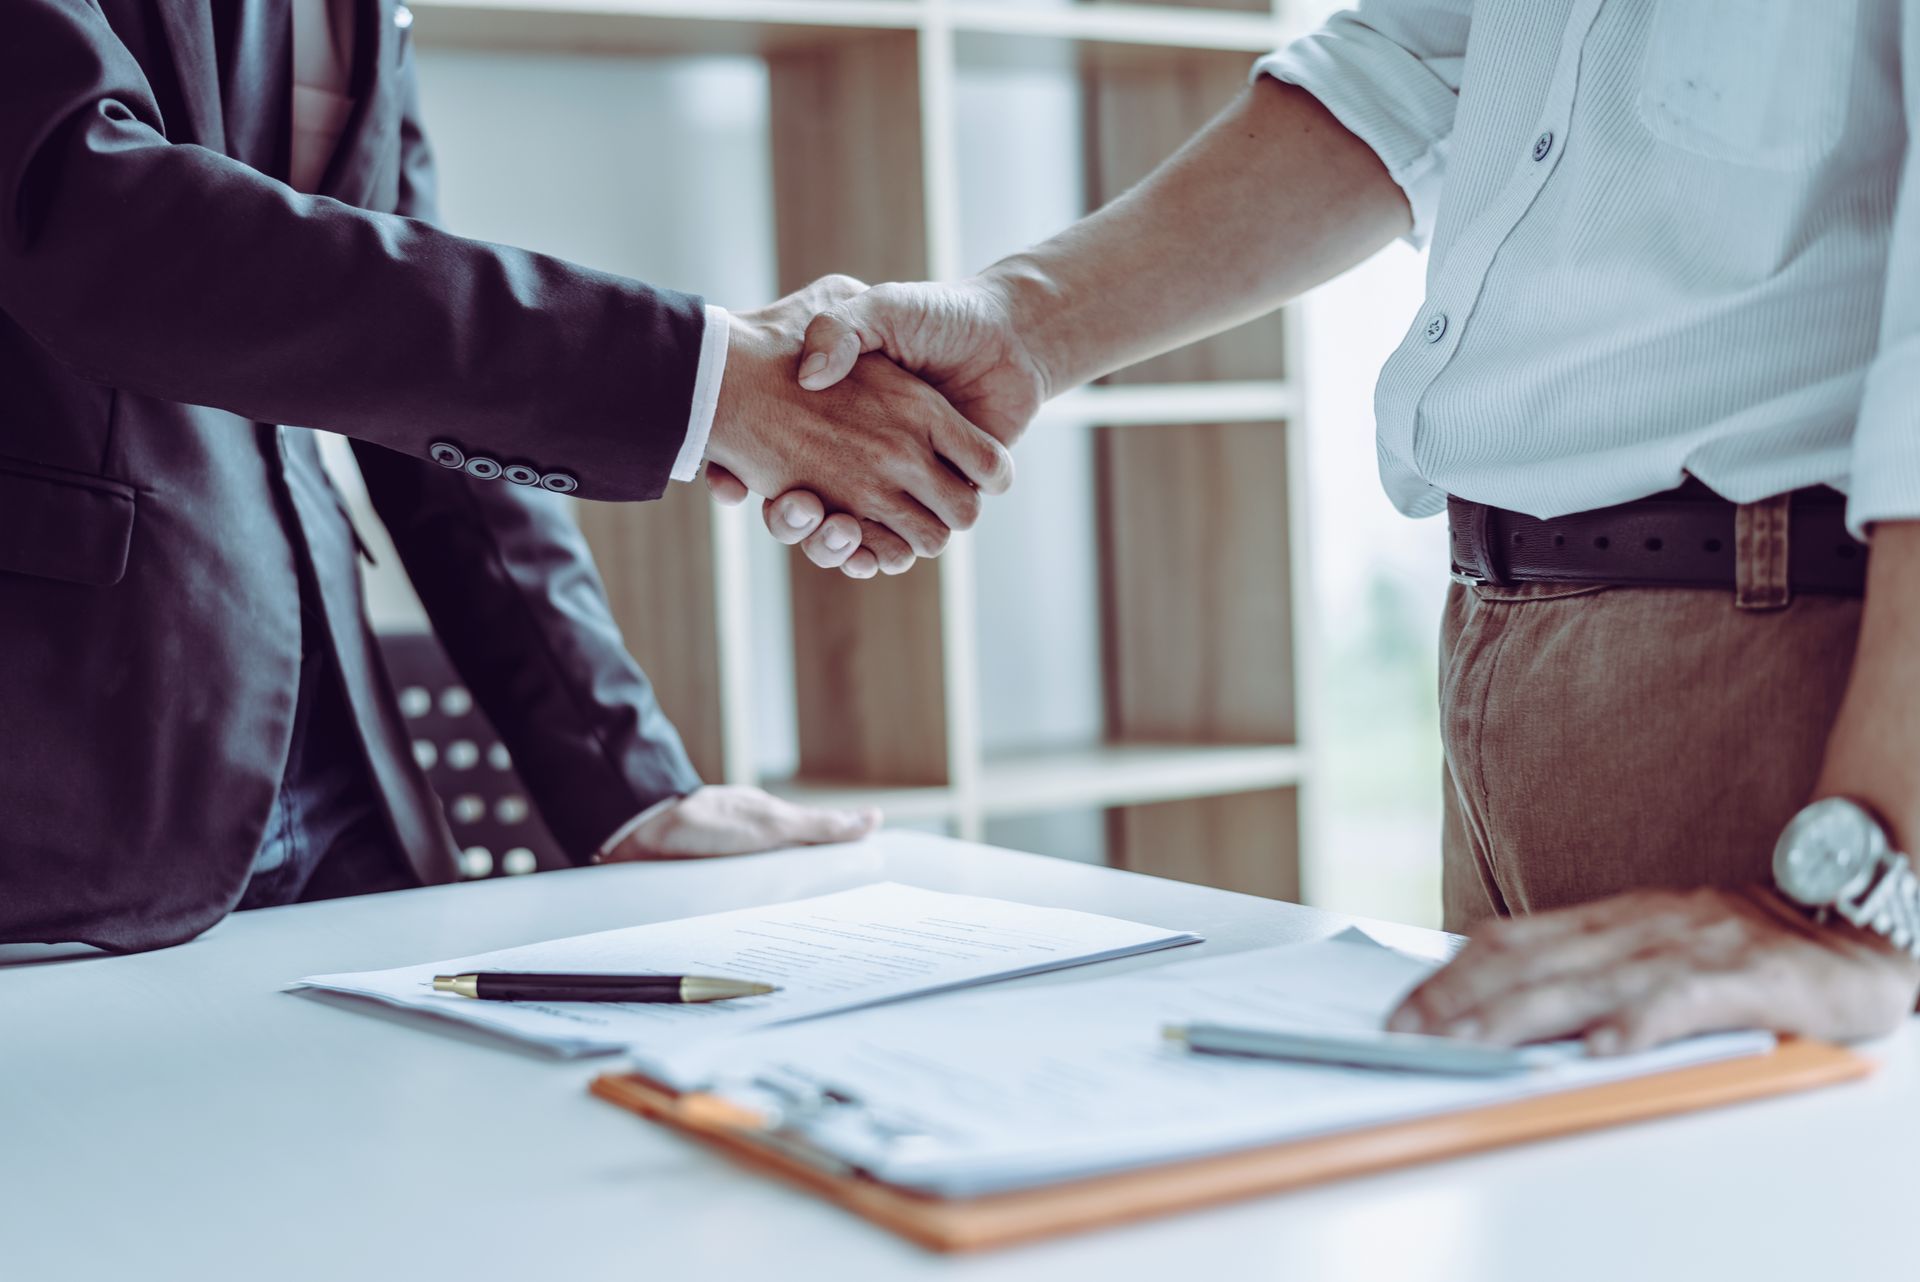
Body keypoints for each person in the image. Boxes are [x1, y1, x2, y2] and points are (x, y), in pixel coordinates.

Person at [760, 0, 1920, 1053]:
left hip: (1812, 679)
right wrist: (1026, 319)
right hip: (1515, 662)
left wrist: (1875, 890)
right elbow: (1415, 65)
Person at [0, 0, 1013, 952]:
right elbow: (92, 216)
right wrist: (707, 381)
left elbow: (410, 371)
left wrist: (630, 783)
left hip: (333, 769)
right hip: (61, 788)